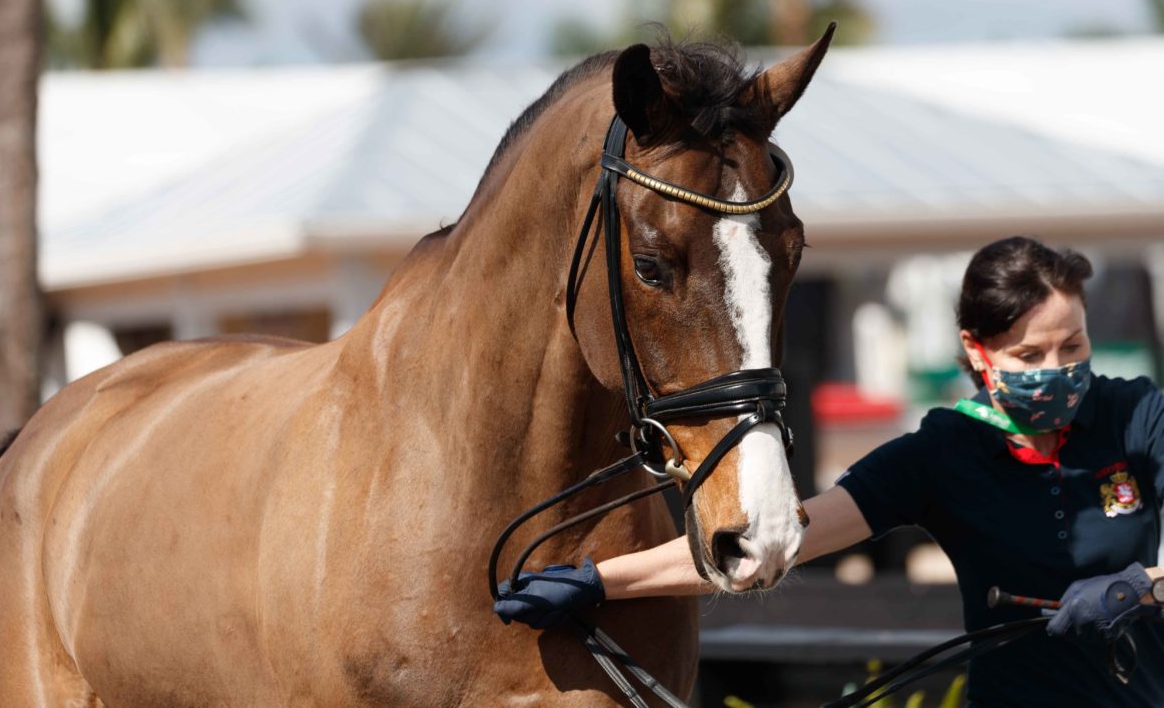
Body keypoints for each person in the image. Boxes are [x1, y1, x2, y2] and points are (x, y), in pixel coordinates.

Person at [494, 236, 1164, 708]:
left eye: (1071, 345)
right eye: (1029, 353)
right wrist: (594, 583)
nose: (1056, 369)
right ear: (975, 351)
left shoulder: (1135, 412)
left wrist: (1140, 585)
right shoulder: (942, 453)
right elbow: (777, 540)